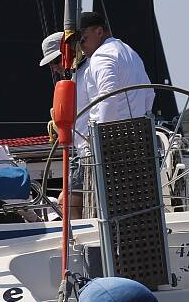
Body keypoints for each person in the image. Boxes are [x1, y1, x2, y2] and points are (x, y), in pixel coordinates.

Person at [59, 12, 155, 218]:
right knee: (127, 207)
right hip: (134, 142)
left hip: (107, 149)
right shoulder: (130, 52)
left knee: (97, 210)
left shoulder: (102, 56)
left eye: (82, 39)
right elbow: (149, 94)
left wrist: (101, 143)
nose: (80, 46)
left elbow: (107, 98)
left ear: (99, 31)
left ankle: (91, 248)